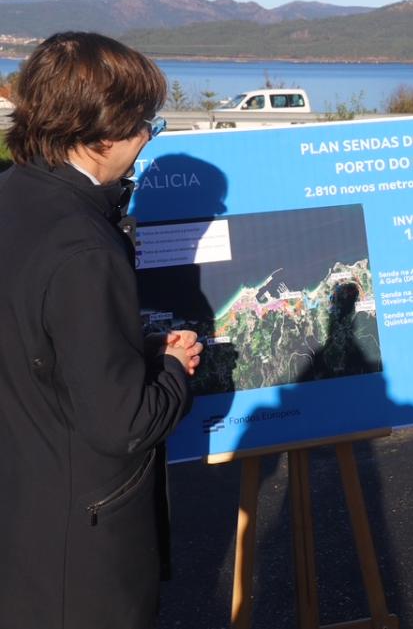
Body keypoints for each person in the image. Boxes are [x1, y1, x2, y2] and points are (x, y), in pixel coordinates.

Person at [0, 32, 202, 629]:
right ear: (103, 134)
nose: (147, 140)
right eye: (146, 126)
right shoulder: (87, 250)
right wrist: (174, 368)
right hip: (81, 542)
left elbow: (36, 341)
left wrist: (129, 348)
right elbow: (124, 425)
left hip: (22, 504)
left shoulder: (14, 194)